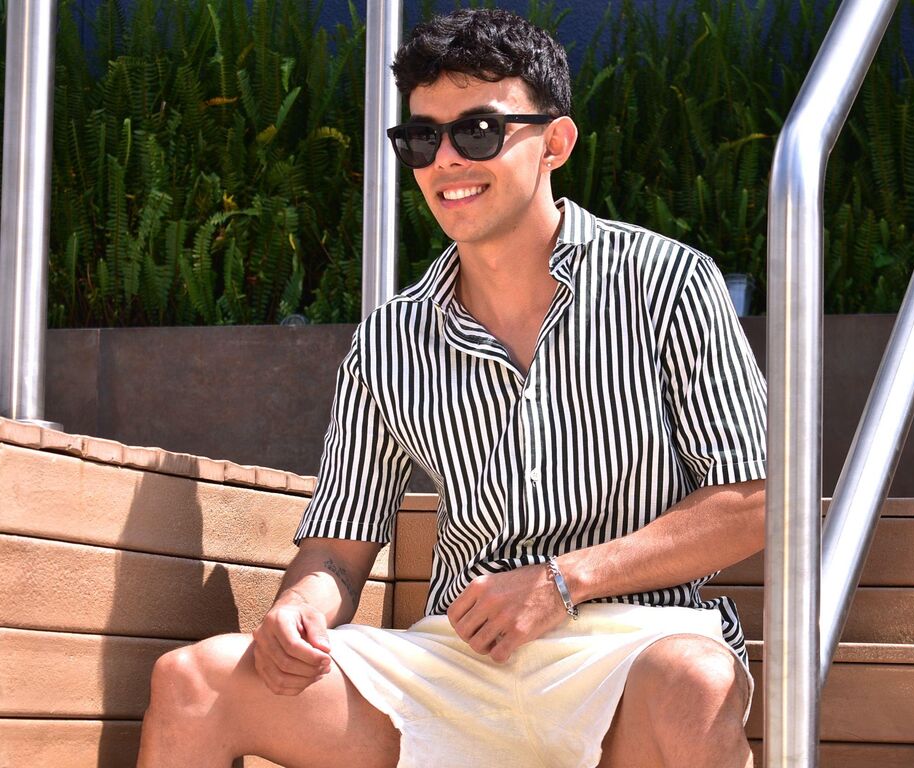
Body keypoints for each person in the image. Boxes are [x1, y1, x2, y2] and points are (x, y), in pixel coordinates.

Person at [138, 8, 766, 768]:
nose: (445, 160)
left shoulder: (666, 283)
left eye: (478, 132)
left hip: (632, 646)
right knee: (195, 682)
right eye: (421, 139)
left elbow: (754, 501)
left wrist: (565, 581)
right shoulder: (390, 338)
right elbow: (338, 547)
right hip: (457, 665)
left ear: (555, 143)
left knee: (697, 680)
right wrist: (299, 608)